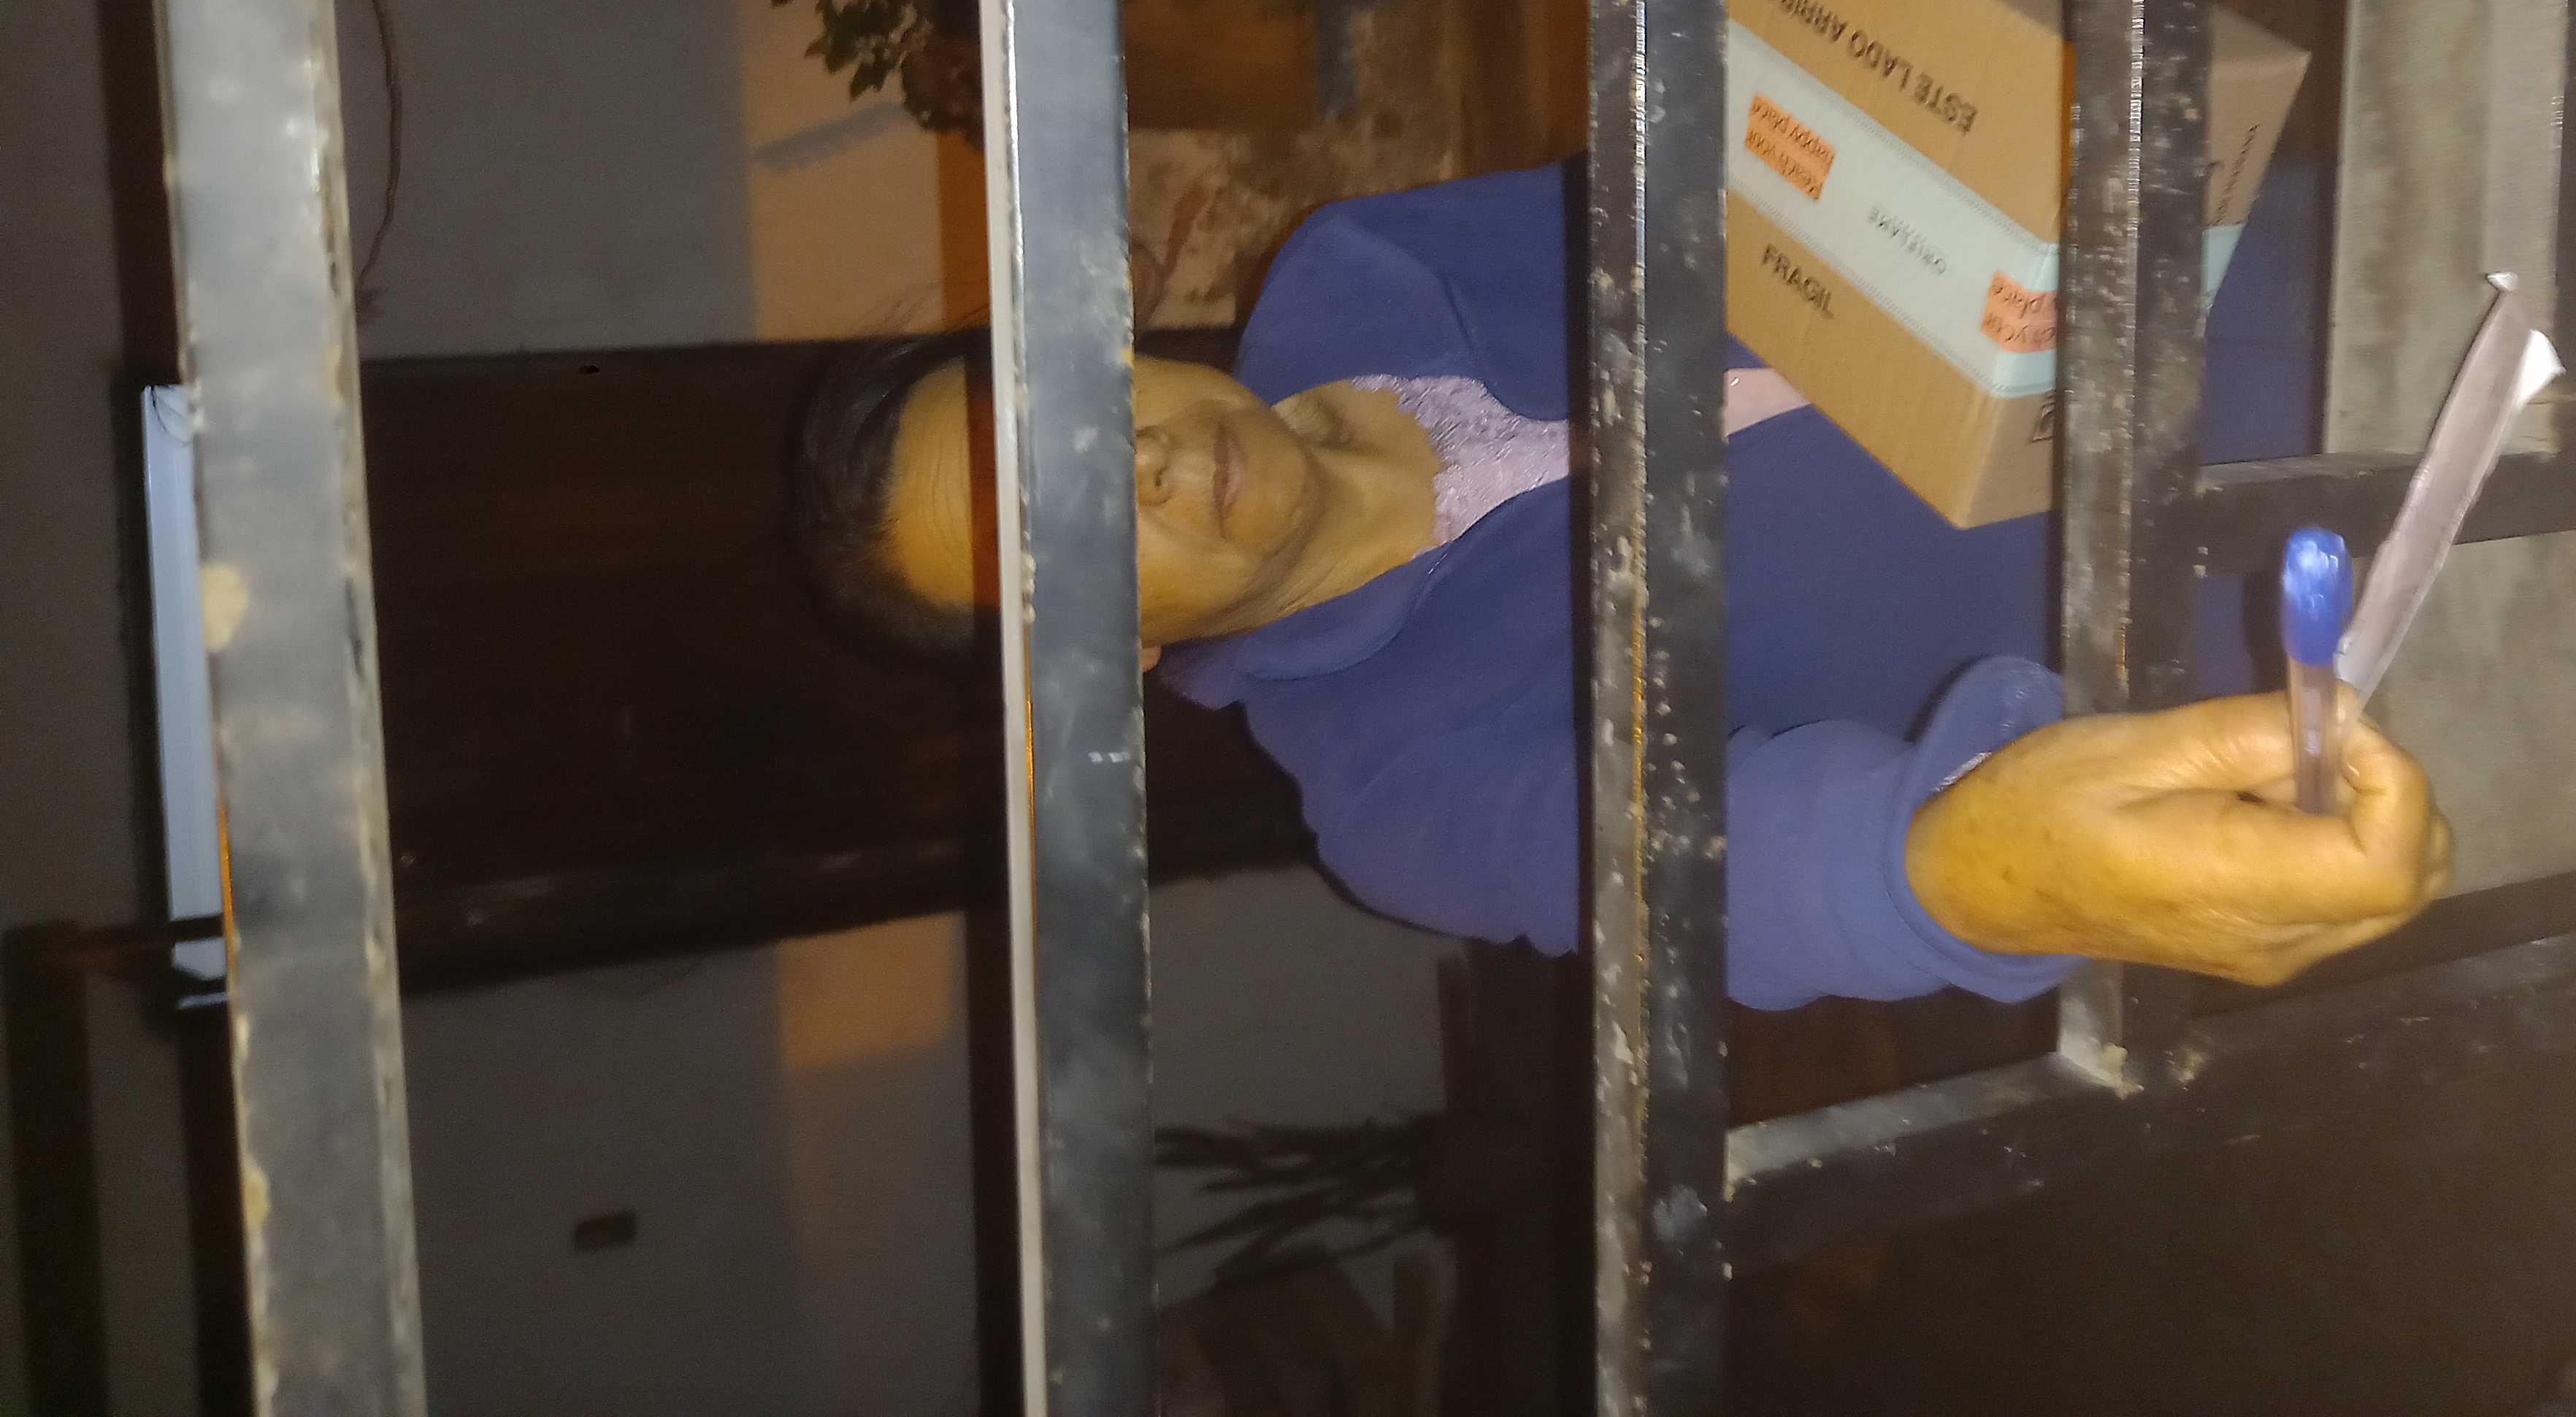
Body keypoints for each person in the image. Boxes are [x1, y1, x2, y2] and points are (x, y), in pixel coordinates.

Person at [795, 158, 2450, 1009]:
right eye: (1079, 541)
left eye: (1076, 422)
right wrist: (1961, 869)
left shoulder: (1370, 262)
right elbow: (1701, 876)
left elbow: (1753, 191)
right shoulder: (1395, 796)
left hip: (2309, 257)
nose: (1147, 464)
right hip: (2312, 588)